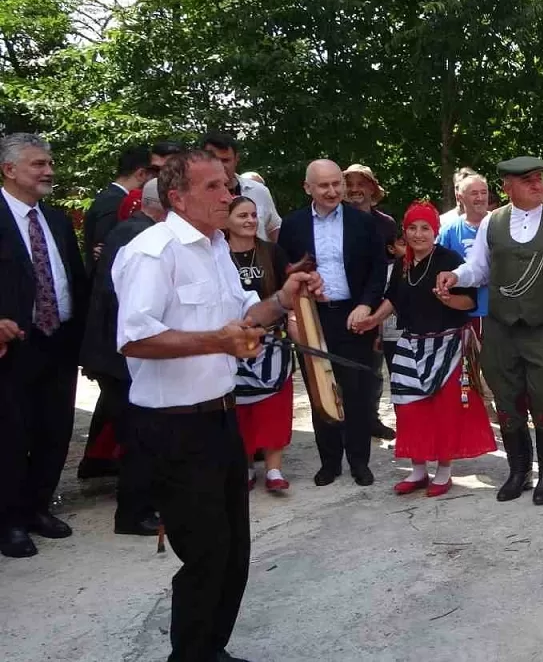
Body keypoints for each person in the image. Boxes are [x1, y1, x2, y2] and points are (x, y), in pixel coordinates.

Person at [113, 148, 322, 662]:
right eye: (214, 188)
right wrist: (217, 342)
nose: (228, 196)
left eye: (228, 186)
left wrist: (285, 298)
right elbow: (134, 340)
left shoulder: (215, 247)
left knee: (234, 550)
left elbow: (244, 316)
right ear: (177, 195)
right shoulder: (152, 252)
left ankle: (212, 650)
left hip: (223, 417)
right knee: (205, 553)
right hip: (173, 428)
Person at [434, 156, 543, 505]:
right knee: (506, 398)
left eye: (539, 178)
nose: (537, 185)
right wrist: (456, 277)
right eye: (527, 180)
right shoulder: (492, 223)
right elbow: (478, 269)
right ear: (507, 187)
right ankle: (518, 471)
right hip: (502, 327)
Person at [358, 201, 495, 497]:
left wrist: (448, 300)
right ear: (404, 232)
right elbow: (393, 299)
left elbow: (470, 301)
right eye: (412, 228)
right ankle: (418, 471)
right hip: (410, 343)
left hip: (448, 344)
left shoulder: (450, 259)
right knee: (409, 408)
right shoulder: (402, 264)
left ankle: (443, 472)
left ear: (435, 231)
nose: (418, 234)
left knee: (444, 410)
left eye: (425, 228)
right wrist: (372, 321)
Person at [0, 133, 89, 559]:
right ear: (10, 169)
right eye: (38, 164)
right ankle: (10, 521)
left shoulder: (54, 220)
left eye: (49, 162)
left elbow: (74, 276)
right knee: (12, 435)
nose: (49, 171)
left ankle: (38, 507)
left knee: (54, 429)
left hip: (59, 339)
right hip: (12, 346)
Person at [278, 160, 388, 487]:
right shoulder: (293, 224)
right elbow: (284, 268)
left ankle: (359, 461)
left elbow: (377, 269)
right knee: (319, 390)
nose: (332, 191)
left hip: (353, 316)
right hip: (313, 317)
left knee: (356, 391)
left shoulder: (362, 222)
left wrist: (367, 305)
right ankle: (329, 462)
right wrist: (294, 312)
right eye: (323, 185)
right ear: (308, 188)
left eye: (336, 184)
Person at [80, 179, 166, 536]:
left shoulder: (129, 230)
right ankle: (134, 514)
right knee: (139, 434)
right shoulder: (140, 238)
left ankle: (142, 505)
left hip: (112, 351)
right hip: (119, 355)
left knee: (139, 432)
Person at [226, 196, 296, 493]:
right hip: (233, 343)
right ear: (227, 219)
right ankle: (243, 467)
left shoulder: (272, 252)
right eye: (242, 215)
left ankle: (274, 469)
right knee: (240, 409)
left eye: (254, 215)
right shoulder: (218, 254)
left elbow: (289, 294)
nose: (250, 220)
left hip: (272, 343)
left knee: (275, 406)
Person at [344, 162, 400, 442]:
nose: (355, 190)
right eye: (349, 184)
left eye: (361, 184)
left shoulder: (386, 223)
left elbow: (394, 263)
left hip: (382, 303)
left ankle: (371, 419)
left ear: (372, 189)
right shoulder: (336, 221)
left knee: (377, 364)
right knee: (346, 365)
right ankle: (346, 421)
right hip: (344, 304)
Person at [83, 144, 155, 285]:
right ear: (141, 174)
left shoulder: (108, 196)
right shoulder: (115, 202)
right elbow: (104, 251)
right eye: (154, 174)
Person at [200, 132, 282, 242]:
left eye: (225, 160)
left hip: (256, 258)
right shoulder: (195, 194)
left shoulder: (259, 191)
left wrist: (284, 257)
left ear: (236, 159)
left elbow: (274, 227)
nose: (220, 165)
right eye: (215, 160)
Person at [437, 168, 491, 335]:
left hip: (499, 312)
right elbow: (438, 267)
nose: (480, 198)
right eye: (474, 193)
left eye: (484, 192)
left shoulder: (500, 224)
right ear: (460, 197)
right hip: (462, 313)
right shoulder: (449, 230)